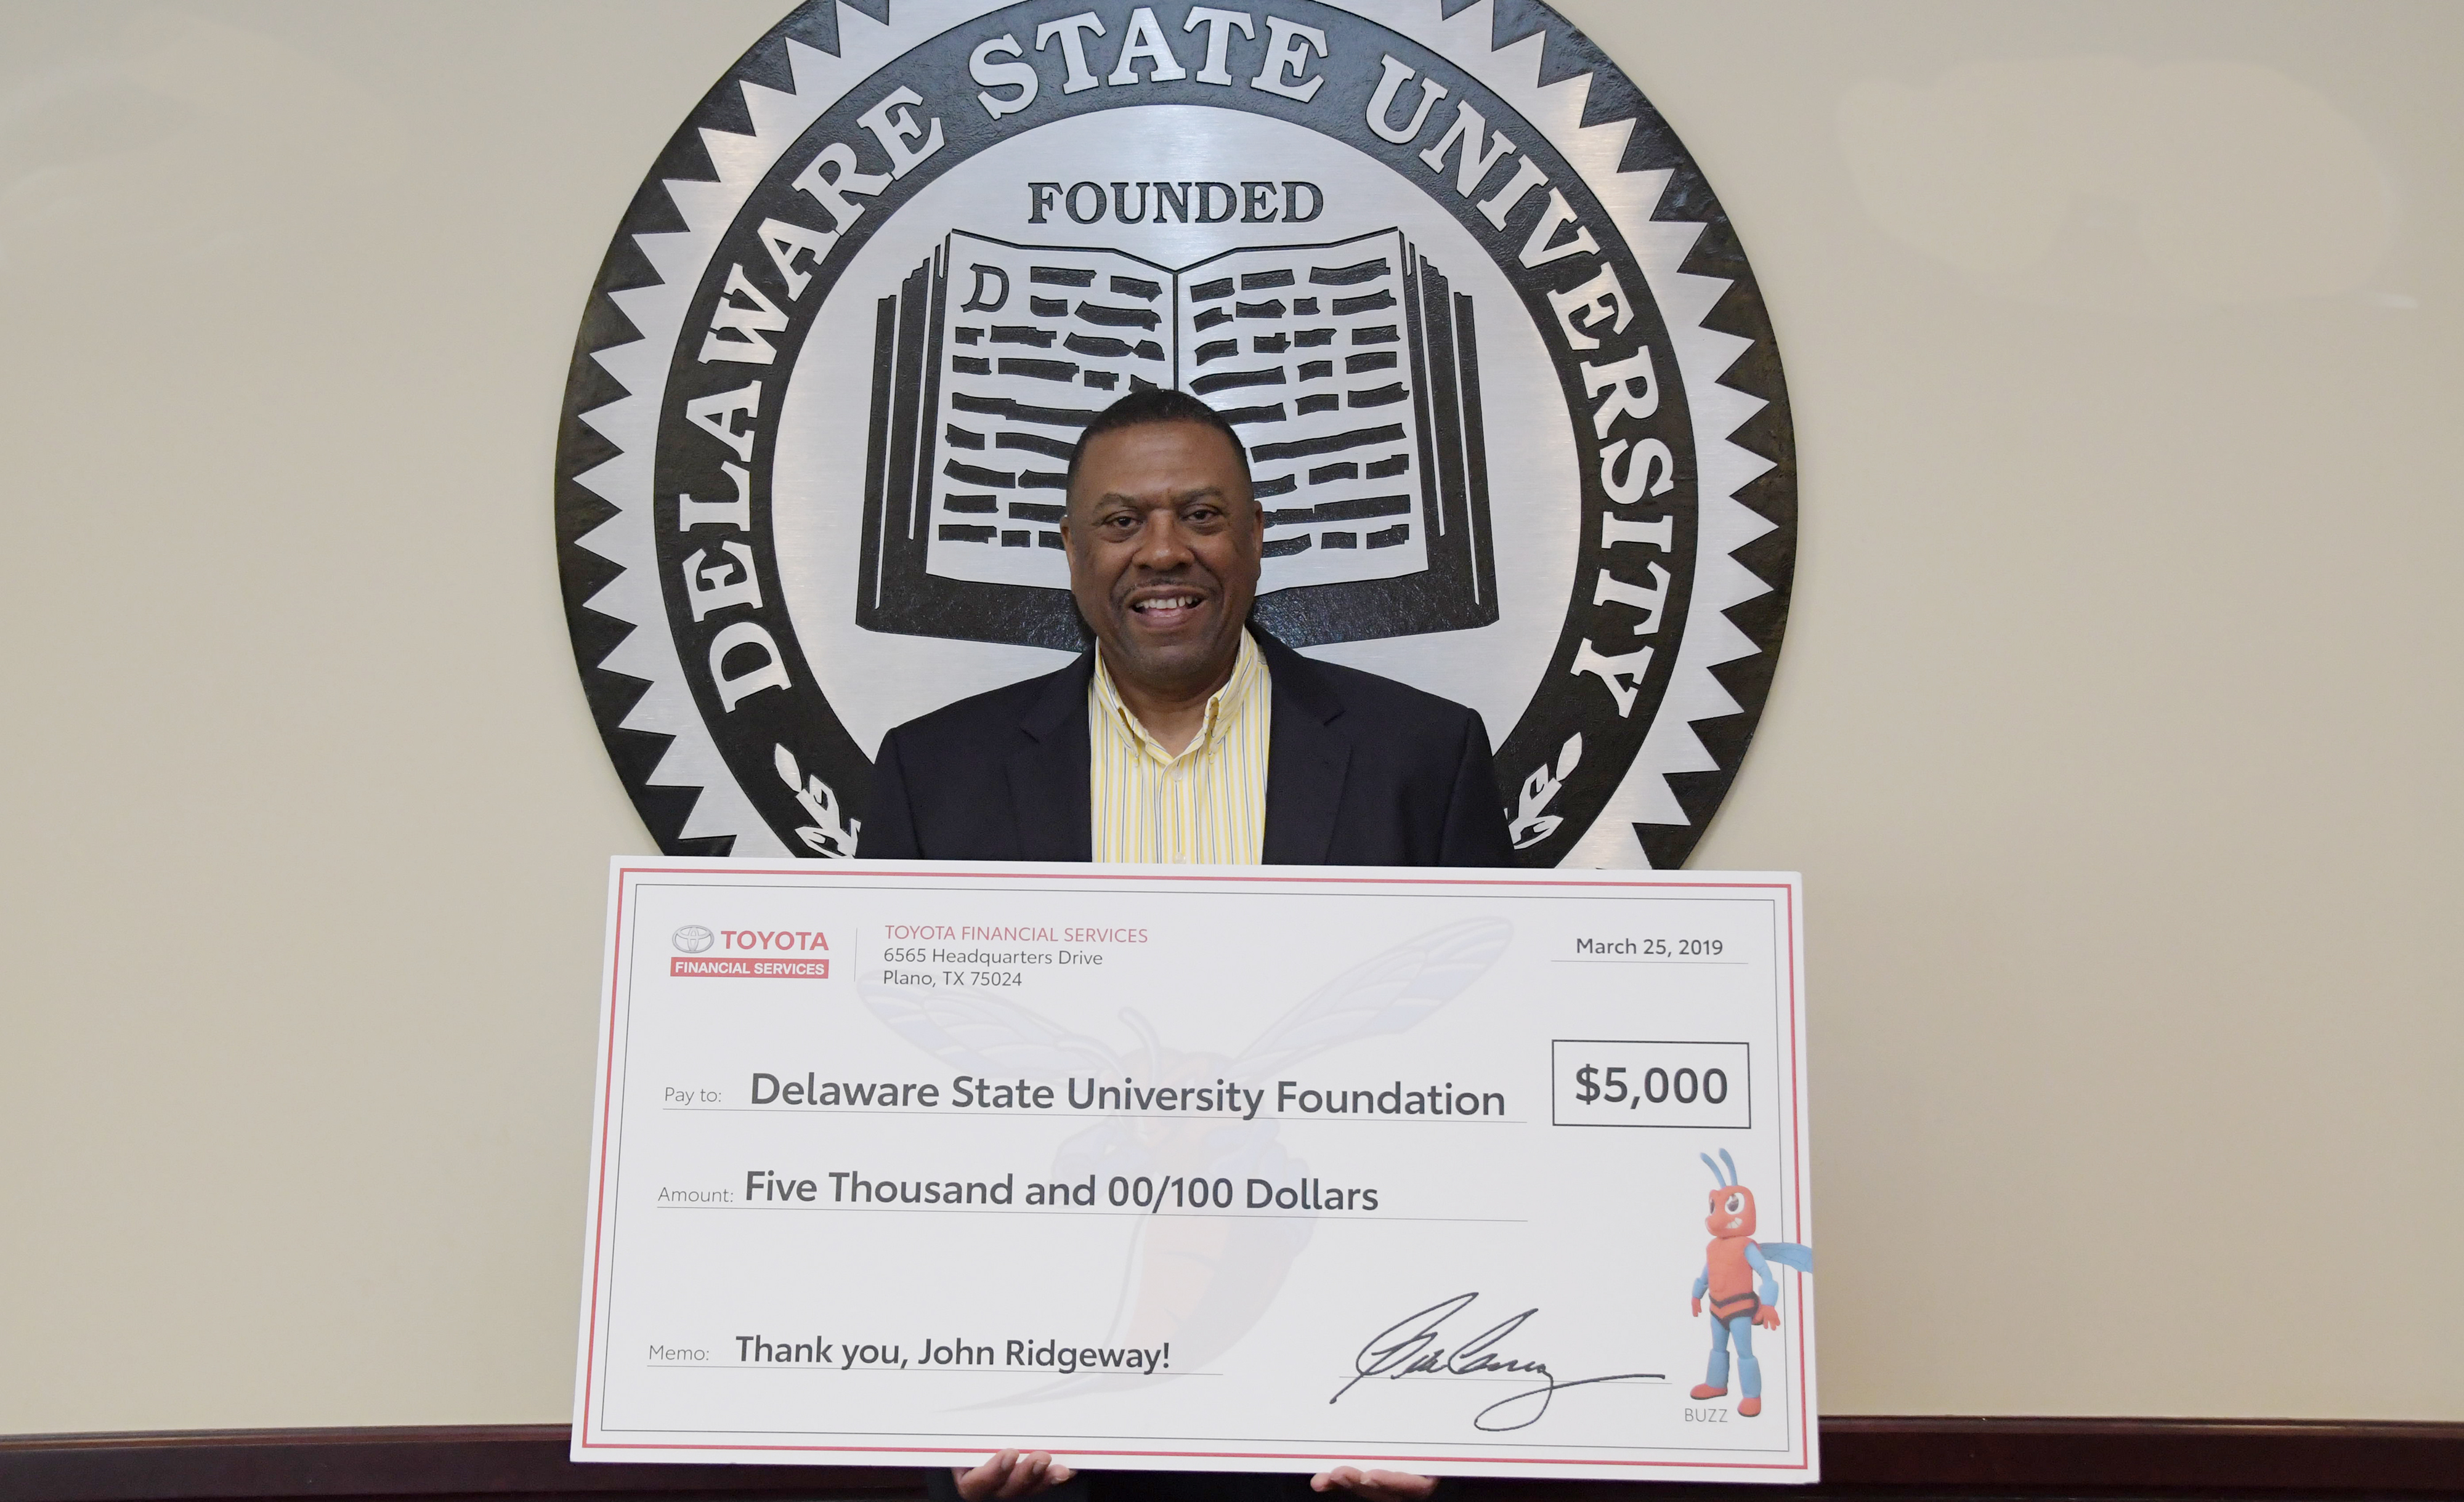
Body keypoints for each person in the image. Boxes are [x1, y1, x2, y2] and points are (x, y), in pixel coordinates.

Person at [864, 388, 1512, 1502]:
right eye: (1121, 522)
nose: (1164, 550)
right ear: (1070, 553)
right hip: (1048, 1429)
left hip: (1337, 1407)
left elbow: (1485, 1095)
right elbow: (892, 1115)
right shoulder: (935, 777)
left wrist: (1441, 1421)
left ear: (1257, 539)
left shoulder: (1424, 758)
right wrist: (941, 1437)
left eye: (1202, 514)